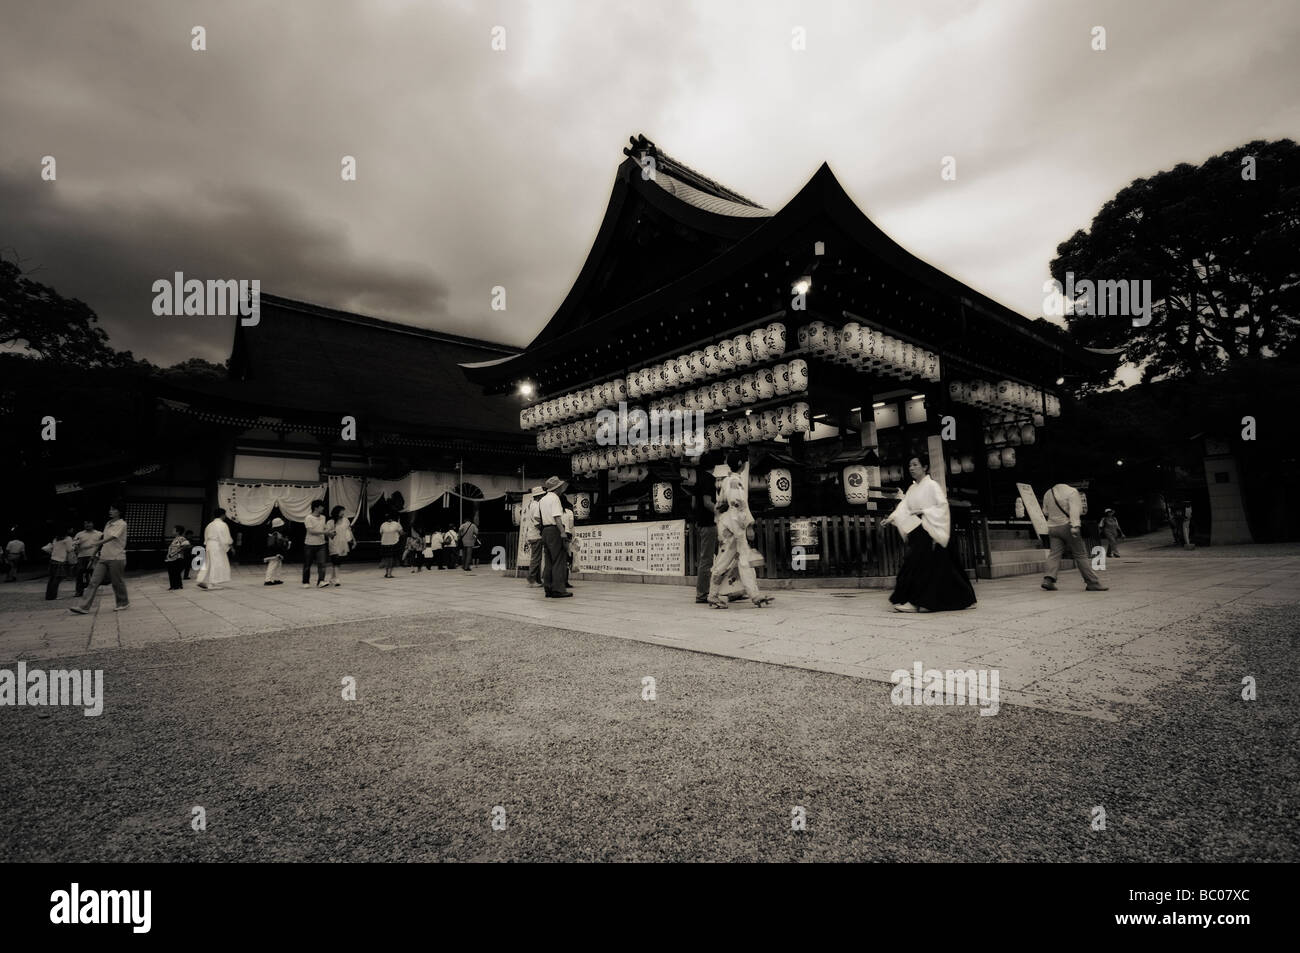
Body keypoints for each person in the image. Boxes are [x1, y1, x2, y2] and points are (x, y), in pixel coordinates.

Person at [883, 455, 976, 612]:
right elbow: (904, 507)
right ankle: (960, 598)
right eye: (910, 465)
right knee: (934, 569)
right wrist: (891, 518)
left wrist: (924, 510)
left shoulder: (932, 485)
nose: (911, 468)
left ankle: (917, 602)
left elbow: (942, 506)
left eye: (915, 464)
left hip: (931, 530)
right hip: (918, 531)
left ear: (924, 467)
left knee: (920, 566)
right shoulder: (912, 489)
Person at [706, 464, 772, 609]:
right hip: (734, 528)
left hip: (728, 526)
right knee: (729, 562)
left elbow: (720, 506)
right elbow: (738, 506)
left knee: (741, 562)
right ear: (742, 463)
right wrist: (745, 528)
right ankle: (714, 595)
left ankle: (754, 594)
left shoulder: (727, 481)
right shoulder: (735, 481)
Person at [1041, 481, 1108, 592]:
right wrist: (1075, 526)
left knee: (1054, 554)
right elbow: (1075, 510)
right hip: (1068, 526)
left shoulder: (1048, 493)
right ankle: (1092, 583)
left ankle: (1048, 579)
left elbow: (1045, 512)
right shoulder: (1072, 491)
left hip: (1052, 527)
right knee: (1080, 554)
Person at [69, 503, 129, 614]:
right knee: (93, 581)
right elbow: (104, 539)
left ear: (119, 512)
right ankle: (84, 607)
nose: (110, 511)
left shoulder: (122, 524)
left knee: (117, 582)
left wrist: (95, 543)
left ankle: (123, 603)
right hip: (103, 557)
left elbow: (112, 537)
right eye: (110, 509)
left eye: (113, 509)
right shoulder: (108, 523)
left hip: (116, 557)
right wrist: (94, 553)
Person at [695, 466, 724, 604]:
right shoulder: (709, 480)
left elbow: (694, 503)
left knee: (712, 558)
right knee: (708, 559)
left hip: (701, 523)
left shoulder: (697, 480)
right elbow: (707, 502)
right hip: (709, 524)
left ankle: (723, 589)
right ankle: (702, 593)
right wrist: (720, 512)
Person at [539, 476, 570, 597]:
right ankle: (558, 589)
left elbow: (538, 518)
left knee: (548, 560)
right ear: (557, 488)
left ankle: (548, 588)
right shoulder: (555, 498)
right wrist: (562, 531)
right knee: (558, 560)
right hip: (554, 529)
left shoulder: (542, 500)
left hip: (545, 530)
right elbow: (557, 517)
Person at [196, 508, 234, 590]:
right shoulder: (222, 525)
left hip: (209, 545)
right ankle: (212, 583)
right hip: (217, 546)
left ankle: (202, 579)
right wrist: (230, 546)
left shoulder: (210, 524)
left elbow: (206, 536)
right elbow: (226, 538)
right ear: (222, 515)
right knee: (217, 564)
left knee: (208, 563)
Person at [43, 527, 77, 600]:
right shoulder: (68, 538)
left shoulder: (55, 538)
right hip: (60, 560)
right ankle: (53, 596)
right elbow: (69, 549)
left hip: (53, 559)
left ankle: (49, 596)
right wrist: (75, 544)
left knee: (51, 579)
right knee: (57, 579)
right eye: (70, 528)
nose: (72, 530)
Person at [325, 506, 355, 586]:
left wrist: (354, 541)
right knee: (336, 560)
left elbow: (349, 531)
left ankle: (332, 578)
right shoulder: (330, 522)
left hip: (343, 544)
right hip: (334, 544)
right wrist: (331, 533)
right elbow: (327, 533)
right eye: (341, 511)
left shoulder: (346, 520)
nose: (343, 513)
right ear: (337, 512)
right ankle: (337, 580)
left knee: (337, 562)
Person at [302, 499, 329, 588]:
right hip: (309, 544)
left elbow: (324, 528)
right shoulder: (308, 517)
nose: (323, 508)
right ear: (316, 508)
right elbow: (311, 531)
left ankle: (321, 581)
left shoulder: (323, 517)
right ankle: (306, 582)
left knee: (322, 564)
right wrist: (324, 533)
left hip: (321, 544)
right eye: (321, 507)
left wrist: (329, 532)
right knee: (307, 564)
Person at [72, 520, 102, 596]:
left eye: (89, 523)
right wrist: (75, 546)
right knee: (79, 574)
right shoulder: (79, 534)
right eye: (86, 523)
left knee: (94, 575)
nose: (87, 525)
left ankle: (92, 591)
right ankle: (79, 591)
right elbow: (74, 545)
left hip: (94, 556)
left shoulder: (99, 533)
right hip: (81, 556)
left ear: (93, 524)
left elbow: (102, 545)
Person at [522, 487, 544, 588]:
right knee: (536, 558)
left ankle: (537, 579)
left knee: (536, 558)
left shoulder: (530, 504)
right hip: (536, 534)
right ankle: (531, 579)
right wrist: (542, 529)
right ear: (539, 496)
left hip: (531, 534)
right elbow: (536, 520)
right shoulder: (537, 505)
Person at [263, 517, 291, 585]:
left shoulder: (273, 532)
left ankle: (277, 578)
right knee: (272, 565)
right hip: (274, 552)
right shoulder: (276, 533)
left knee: (278, 565)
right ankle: (267, 580)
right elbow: (278, 543)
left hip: (274, 552)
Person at [164, 524, 190, 590]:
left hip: (177, 558)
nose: (172, 531)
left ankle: (176, 585)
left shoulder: (181, 538)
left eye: (174, 530)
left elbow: (187, 544)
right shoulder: (175, 539)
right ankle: (174, 585)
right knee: (172, 572)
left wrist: (179, 550)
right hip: (172, 558)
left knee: (175, 572)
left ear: (178, 531)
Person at [379, 512, 403, 578]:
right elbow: (401, 533)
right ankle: (389, 574)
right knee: (391, 558)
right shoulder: (397, 524)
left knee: (386, 558)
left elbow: (381, 533)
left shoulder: (383, 524)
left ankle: (387, 573)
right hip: (393, 543)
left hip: (384, 543)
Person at [559, 495, 576, 589]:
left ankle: (557, 580)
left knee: (558, 559)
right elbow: (571, 526)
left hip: (558, 536)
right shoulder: (569, 512)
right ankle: (565, 581)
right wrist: (574, 538)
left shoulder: (555, 513)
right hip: (568, 536)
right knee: (567, 560)